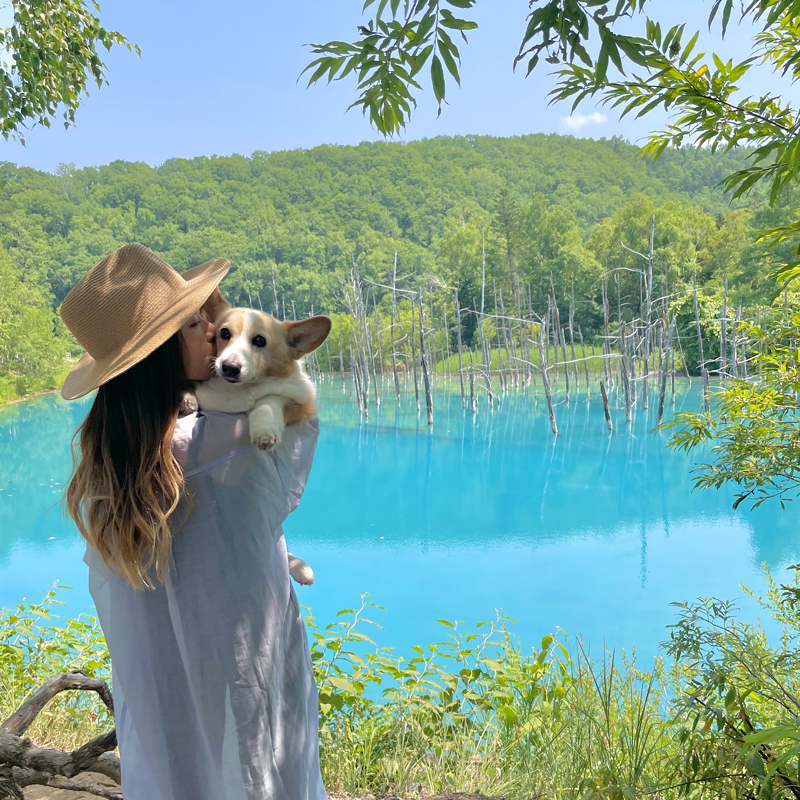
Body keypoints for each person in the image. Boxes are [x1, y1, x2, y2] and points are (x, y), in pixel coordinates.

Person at [60, 243, 327, 800]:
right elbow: (299, 416)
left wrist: (204, 330)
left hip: (158, 694)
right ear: (161, 352)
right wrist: (241, 336)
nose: (212, 329)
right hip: (245, 677)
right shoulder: (231, 443)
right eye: (194, 324)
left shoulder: (109, 467)